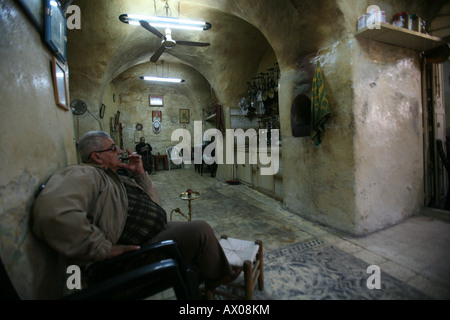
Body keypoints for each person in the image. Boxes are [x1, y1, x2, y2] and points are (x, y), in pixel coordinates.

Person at [32, 131, 240, 292]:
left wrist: (140, 174)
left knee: (189, 230)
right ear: (96, 156)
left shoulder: (113, 176)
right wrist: (102, 248)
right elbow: (52, 213)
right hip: (126, 257)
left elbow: (152, 202)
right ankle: (217, 276)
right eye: (113, 148)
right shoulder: (84, 174)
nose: (121, 151)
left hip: (150, 235)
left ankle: (204, 271)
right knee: (200, 229)